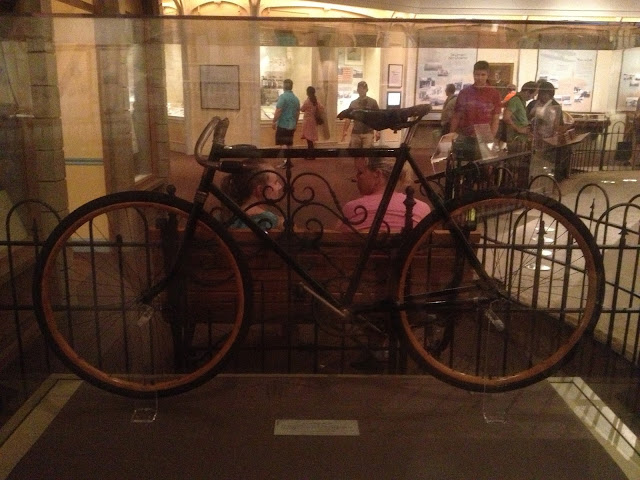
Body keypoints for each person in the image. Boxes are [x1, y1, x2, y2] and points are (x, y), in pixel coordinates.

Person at [338, 157, 430, 232]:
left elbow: (335, 241)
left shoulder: (352, 208)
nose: (356, 178)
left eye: (360, 172)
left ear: (377, 174)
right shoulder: (422, 209)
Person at [450, 60, 502, 162]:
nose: (480, 78)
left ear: (488, 75)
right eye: (477, 74)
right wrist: (451, 134)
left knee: (485, 167)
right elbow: (457, 116)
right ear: (473, 74)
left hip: (486, 136)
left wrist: (491, 138)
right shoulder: (464, 93)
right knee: (465, 165)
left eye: (483, 75)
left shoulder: (494, 94)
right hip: (466, 135)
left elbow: (495, 118)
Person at [220, 161, 283, 230]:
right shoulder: (269, 220)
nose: (280, 186)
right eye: (275, 182)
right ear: (260, 190)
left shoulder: (222, 216)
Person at [529, 81, 564, 182]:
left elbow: (559, 124)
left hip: (549, 139)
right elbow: (527, 118)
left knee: (546, 163)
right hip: (534, 137)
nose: (544, 97)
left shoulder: (556, 106)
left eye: (546, 94)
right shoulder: (533, 104)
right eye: (542, 94)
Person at [341, 81, 380, 147]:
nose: (361, 90)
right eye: (360, 88)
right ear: (357, 90)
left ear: (367, 90)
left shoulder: (372, 102)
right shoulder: (353, 103)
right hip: (356, 132)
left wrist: (378, 131)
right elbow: (348, 118)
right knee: (355, 152)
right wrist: (345, 131)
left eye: (363, 88)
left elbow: (378, 117)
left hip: (368, 132)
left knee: (367, 152)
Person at [502, 81, 537, 152]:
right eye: (532, 95)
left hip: (520, 138)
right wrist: (518, 129)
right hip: (515, 138)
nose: (533, 98)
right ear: (527, 92)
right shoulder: (515, 100)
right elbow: (506, 117)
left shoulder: (521, 101)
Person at [272, 78, 300, 149]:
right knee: (289, 143)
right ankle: (289, 156)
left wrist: (274, 121)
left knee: (283, 143)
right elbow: (297, 113)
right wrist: (295, 123)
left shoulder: (282, 97)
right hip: (292, 125)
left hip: (283, 125)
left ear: (284, 86)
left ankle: (285, 156)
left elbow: (279, 110)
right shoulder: (296, 99)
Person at [300, 86, 324, 156]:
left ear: (307, 93)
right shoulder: (316, 101)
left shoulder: (307, 101)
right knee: (310, 138)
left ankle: (311, 154)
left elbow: (302, 109)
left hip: (307, 121)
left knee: (308, 138)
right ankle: (311, 153)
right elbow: (322, 108)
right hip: (313, 121)